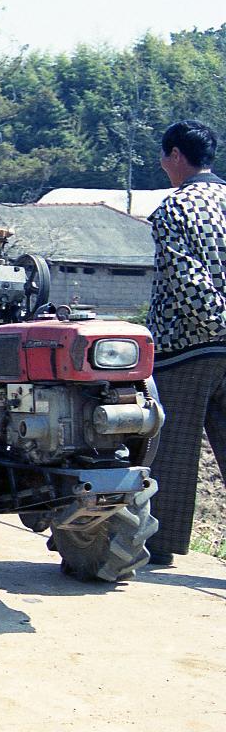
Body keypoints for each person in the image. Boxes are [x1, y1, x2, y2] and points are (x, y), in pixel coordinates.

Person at [144, 119, 226, 567]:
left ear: (176, 156)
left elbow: (187, 280)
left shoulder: (174, 210)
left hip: (186, 349)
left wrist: (217, 323)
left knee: (172, 453)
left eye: (163, 157)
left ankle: (161, 544)